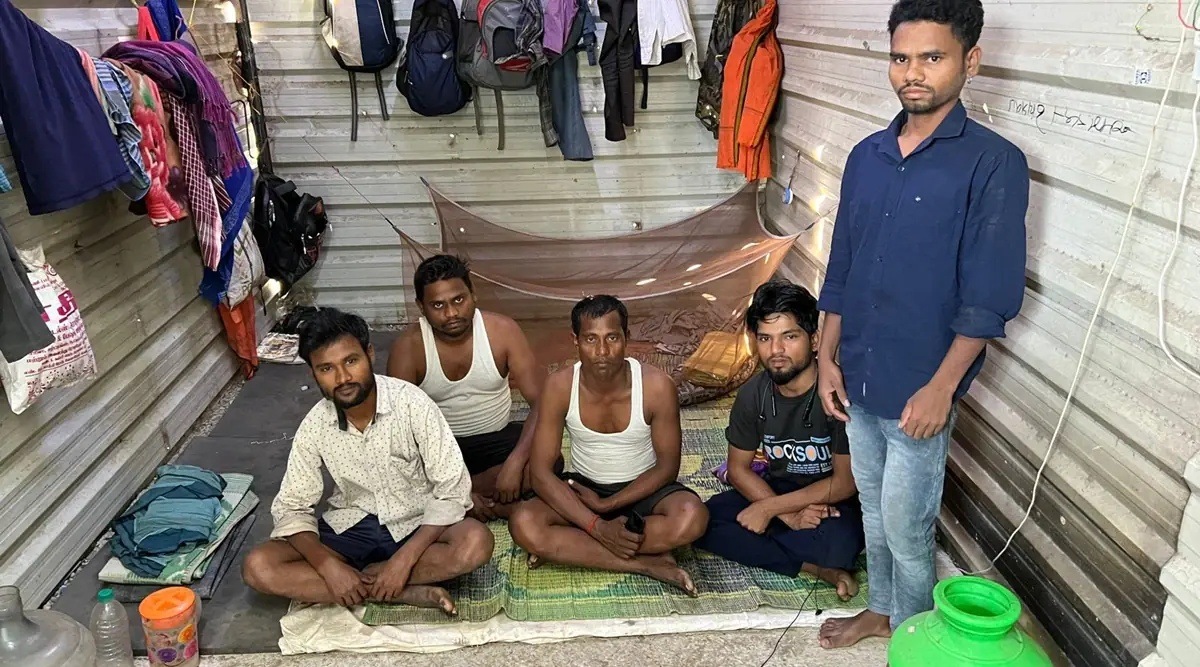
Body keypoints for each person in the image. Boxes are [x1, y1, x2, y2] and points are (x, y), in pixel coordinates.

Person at [815, 0, 1029, 649]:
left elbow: (987, 297)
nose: (913, 73)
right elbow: (842, 265)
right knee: (874, 514)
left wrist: (942, 388)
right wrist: (826, 356)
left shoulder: (993, 164)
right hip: (857, 374)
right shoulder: (866, 156)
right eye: (901, 58)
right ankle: (883, 610)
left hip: (919, 389)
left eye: (931, 57)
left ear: (970, 61)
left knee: (908, 525)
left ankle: (913, 634)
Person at [242, 308, 494, 613]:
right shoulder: (315, 424)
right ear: (313, 373)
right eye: (326, 369)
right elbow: (292, 506)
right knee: (260, 566)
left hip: (416, 525)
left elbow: (453, 489)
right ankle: (396, 591)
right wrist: (328, 566)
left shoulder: (412, 403)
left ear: (369, 355)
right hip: (351, 529)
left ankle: (374, 581)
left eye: (351, 361)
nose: (343, 378)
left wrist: (404, 560)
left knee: (475, 542)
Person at [508, 295, 707, 594]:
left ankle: (574, 548)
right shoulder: (560, 386)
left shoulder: (656, 386)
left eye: (612, 338)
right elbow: (540, 472)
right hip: (583, 490)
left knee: (692, 517)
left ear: (627, 338)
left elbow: (667, 467)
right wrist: (596, 525)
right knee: (523, 522)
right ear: (575, 341)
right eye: (590, 339)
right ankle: (645, 563)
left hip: (643, 488)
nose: (602, 351)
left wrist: (607, 506)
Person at [694, 280, 864, 599]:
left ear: (814, 340)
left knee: (839, 543)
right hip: (779, 489)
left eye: (789, 336)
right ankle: (814, 568)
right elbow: (739, 469)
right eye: (765, 338)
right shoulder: (752, 395)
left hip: (830, 499)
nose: (776, 352)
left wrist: (769, 509)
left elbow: (845, 482)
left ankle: (818, 559)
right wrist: (785, 513)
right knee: (701, 521)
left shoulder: (838, 395)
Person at [387, 255, 546, 521]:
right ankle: (470, 498)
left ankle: (452, 500)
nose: (451, 313)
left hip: (498, 438)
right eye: (438, 305)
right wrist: (449, 484)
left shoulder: (502, 331)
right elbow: (397, 431)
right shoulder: (408, 348)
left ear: (473, 295)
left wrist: (515, 465)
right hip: (439, 452)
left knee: (547, 463)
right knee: (395, 475)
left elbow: (541, 404)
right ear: (421, 307)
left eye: (458, 300)